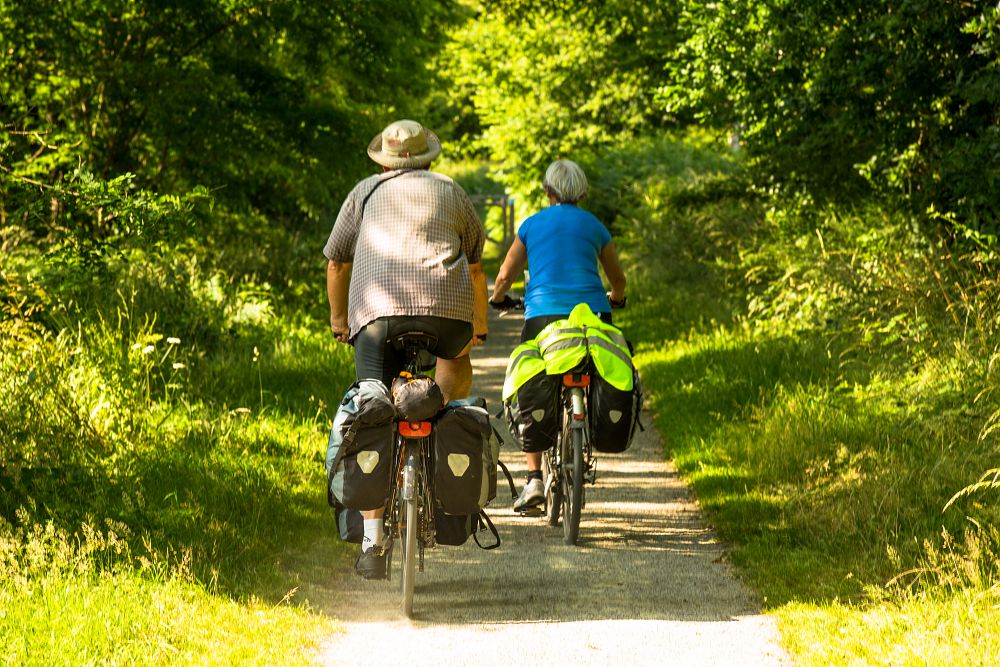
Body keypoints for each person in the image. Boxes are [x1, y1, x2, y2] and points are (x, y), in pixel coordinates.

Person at [324, 119, 488, 578]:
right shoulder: (451, 191)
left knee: (373, 405)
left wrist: (340, 320)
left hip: (378, 318)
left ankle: (373, 542)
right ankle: (441, 463)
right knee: (453, 371)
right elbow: (474, 266)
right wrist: (476, 328)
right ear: (428, 156)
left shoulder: (365, 193)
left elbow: (337, 261)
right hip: (446, 316)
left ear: (385, 159)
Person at [489, 158, 626, 512]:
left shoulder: (532, 225)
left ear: (548, 191)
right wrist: (617, 298)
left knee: (531, 373)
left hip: (544, 317)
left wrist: (499, 299)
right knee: (593, 367)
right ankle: (587, 424)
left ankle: (534, 478)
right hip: (592, 316)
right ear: (581, 191)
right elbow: (618, 279)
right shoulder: (595, 226)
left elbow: (504, 276)